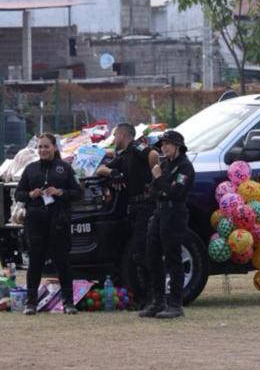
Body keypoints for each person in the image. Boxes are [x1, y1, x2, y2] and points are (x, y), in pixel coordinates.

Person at [12, 133, 82, 315]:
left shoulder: (65, 168)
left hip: (59, 220)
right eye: (40, 147)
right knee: (35, 261)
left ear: (54, 148)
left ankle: (68, 303)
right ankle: (31, 303)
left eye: (46, 147)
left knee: (63, 261)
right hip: (35, 221)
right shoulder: (30, 169)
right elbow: (18, 193)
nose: (43, 150)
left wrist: (60, 192)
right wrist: (30, 195)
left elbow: (78, 192)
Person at [140, 130, 195, 320]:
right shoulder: (164, 164)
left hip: (174, 213)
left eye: (167, 144)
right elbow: (153, 191)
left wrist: (160, 181)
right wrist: (162, 186)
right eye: (162, 145)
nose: (163, 148)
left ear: (177, 146)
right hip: (159, 212)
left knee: (173, 258)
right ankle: (158, 301)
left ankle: (175, 304)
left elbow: (176, 193)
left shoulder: (185, 167)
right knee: (152, 256)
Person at [96, 123, 158, 288]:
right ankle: (144, 294)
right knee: (136, 253)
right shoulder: (124, 155)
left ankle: (153, 294)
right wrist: (113, 173)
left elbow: (153, 154)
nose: (114, 139)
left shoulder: (137, 146)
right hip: (133, 208)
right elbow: (100, 169)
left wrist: (156, 181)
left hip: (146, 205)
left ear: (122, 135)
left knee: (142, 251)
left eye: (115, 135)